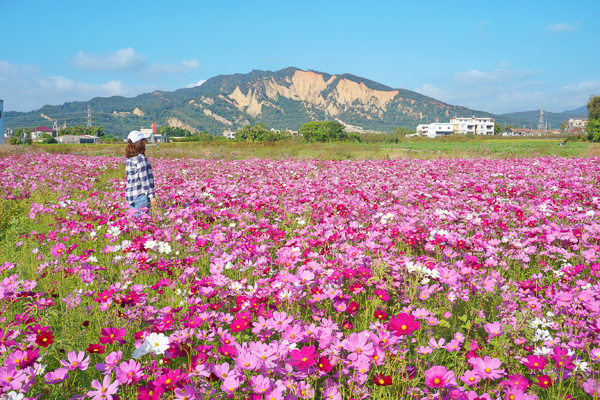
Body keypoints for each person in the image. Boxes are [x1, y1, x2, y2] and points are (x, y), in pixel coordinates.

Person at [125, 130, 157, 216]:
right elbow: (144, 179)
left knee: (134, 223)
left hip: (130, 196)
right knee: (142, 223)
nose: (145, 143)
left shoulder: (128, 158)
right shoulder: (140, 158)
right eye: (144, 141)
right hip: (140, 195)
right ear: (139, 143)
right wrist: (151, 196)